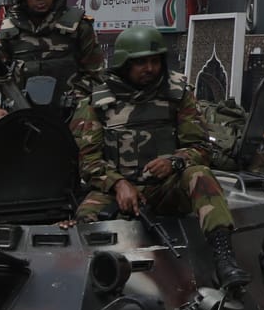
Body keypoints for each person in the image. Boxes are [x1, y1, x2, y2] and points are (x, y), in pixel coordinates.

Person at [71, 25, 250, 289]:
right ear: (124, 63)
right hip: (115, 190)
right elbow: (88, 163)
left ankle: (224, 260)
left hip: (164, 187)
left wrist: (175, 162)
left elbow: (200, 147)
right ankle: (98, 282)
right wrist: (118, 183)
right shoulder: (97, 103)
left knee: (200, 176)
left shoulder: (178, 94)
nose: (150, 68)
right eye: (141, 62)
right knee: (85, 217)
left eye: (155, 61)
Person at [0, 0, 106, 118]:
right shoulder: (10, 32)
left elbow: (97, 76)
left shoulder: (78, 25)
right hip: (22, 116)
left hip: (72, 116)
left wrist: (74, 99)